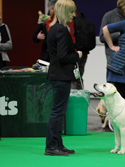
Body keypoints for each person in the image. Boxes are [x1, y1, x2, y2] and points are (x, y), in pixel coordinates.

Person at [45, 0, 82, 156]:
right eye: (71, 12)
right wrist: (77, 55)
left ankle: (58, 145)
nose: (73, 15)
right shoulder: (61, 30)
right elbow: (63, 56)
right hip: (60, 76)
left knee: (59, 112)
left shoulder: (55, 28)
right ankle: (52, 147)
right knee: (57, 112)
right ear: (64, 12)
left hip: (58, 75)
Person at [99, 0, 125, 70]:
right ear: (121, 7)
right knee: (113, 80)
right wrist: (119, 34)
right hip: (113, 58)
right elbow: (102, 37)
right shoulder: (109, 16)